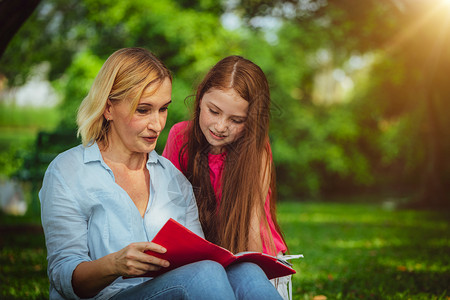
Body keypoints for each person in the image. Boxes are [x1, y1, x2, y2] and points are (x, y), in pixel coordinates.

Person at [40, 48, 282, 300]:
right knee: (205, 274)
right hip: (107, 296)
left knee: (247, 273)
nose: (157, 125)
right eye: (143, 110)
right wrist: (113, 265)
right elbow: (63, 275)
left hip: (166, 291)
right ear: (108, 108)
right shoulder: (68, 170)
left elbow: (196, 261)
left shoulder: (174, 179)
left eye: (163, 109)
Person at [162, 55, 290, 296]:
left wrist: (257, 273)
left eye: (236, 120)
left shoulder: (255, 149)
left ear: (250, 121)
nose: (221, 127)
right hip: (203, 266)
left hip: (257, 259)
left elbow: (252, 223)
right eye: (214, 111)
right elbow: (169, 212)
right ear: (200, 100)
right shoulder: (180, 137)